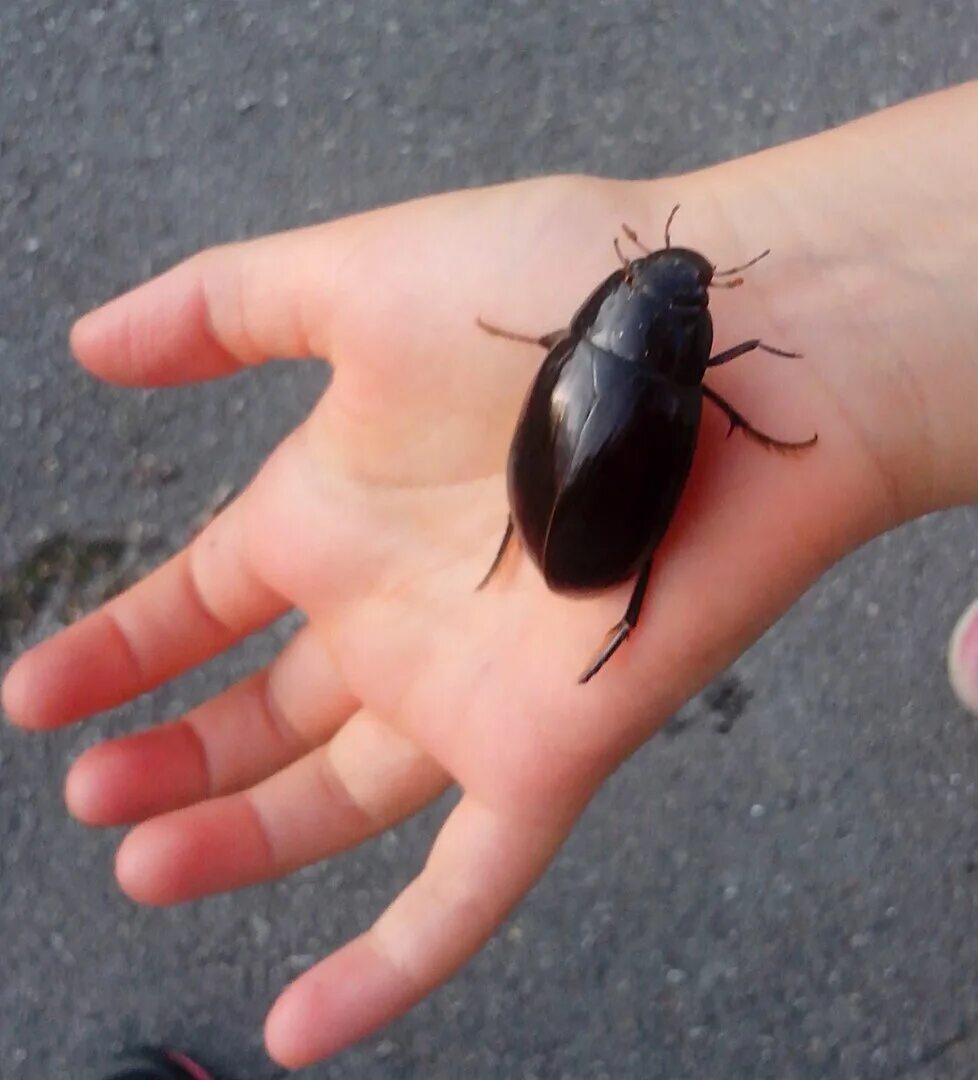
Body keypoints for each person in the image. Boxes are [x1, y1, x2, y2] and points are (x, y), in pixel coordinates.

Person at [4, 79, 977, 1072]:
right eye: (658, 278)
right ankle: (606, 608)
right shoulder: (670, 371)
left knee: (640, 478)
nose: (678, 285)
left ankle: (601, 603)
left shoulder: (614, 350)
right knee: (651, 471)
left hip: (583, 483)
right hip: (591, 491)